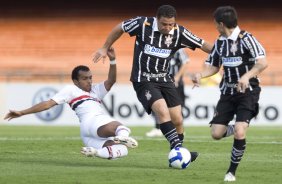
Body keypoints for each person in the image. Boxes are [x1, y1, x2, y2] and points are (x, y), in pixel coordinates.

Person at [92, 4, 213, 163]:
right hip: (144, 79)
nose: (168, 27)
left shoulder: (179, 32)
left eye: (171, 24)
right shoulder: (143, 24)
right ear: (157, 20)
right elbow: (120, 27)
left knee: (178, 119)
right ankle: (181, 152)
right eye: (164, 24)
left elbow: (203, 44)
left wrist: (221, 53)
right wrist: (104, 47)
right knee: (162, 111)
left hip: (165, 79)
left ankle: (176, 156)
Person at [4, 47, 138, 160]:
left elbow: (111, 80)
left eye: (90, 78)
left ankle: (96, 152)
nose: (89, 81)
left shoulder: (96, 90)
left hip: (87, 135)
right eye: (85, 79)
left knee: (122, 149)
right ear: (75, 81)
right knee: (122, 128)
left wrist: (113, 60)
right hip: (93, 121)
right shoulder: (71, 90)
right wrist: (22, 112)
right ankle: (122, 137)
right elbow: (47, 104)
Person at [191, 6, 267, 181]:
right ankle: (238, 126)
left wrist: (247, 76)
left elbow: (263, 63)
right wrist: (200, 75)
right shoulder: (219, 42)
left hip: (247, 92)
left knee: (240, 132)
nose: (215, 27)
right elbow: (214, 66)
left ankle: (231, 171)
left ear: (221, 24)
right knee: (216, 133)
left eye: (216, 24)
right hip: (227, 92)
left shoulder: (247, 39)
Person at [146, 48, 189, 137]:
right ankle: (158, 128)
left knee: (178, 106)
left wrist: (177, 77)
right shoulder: (156, 48)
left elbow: (185, 62)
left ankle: (179, 129)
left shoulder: (178, 49)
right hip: (160, 82)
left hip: (175, 83)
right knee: (157, 104)